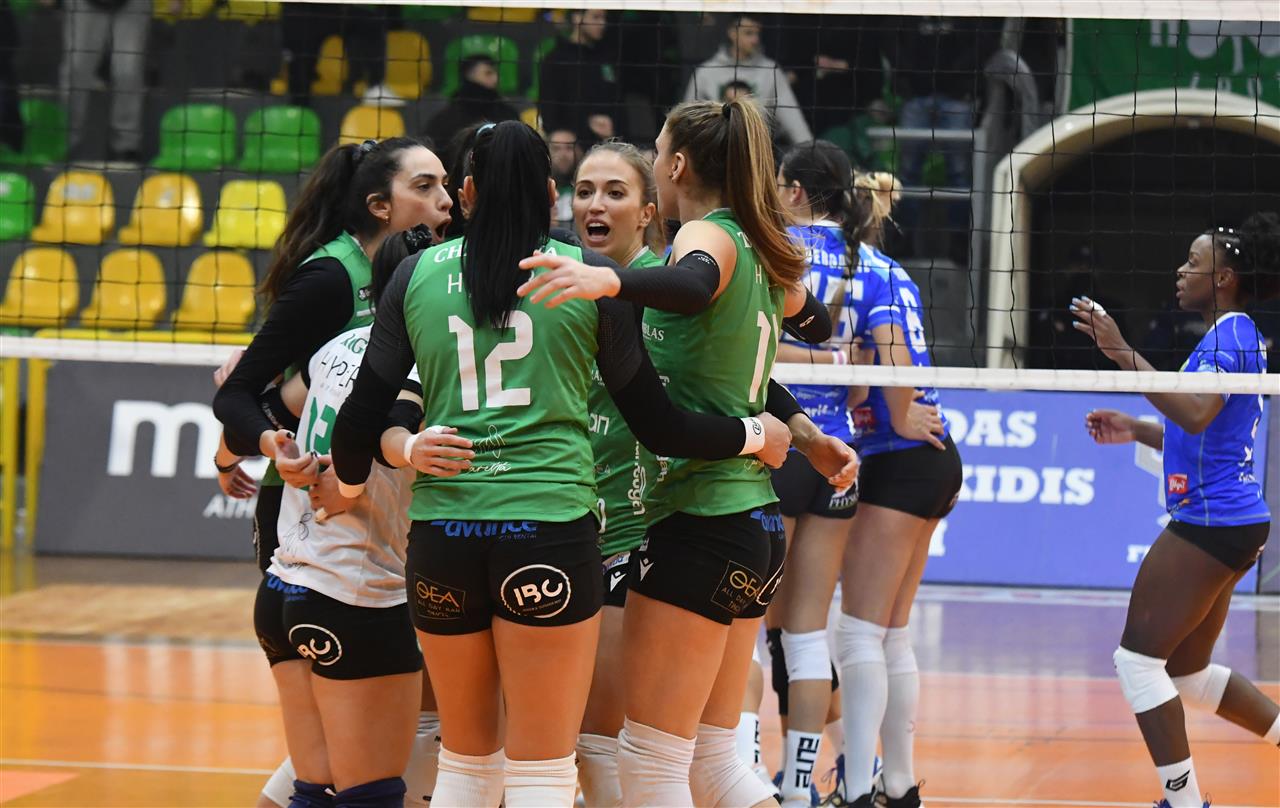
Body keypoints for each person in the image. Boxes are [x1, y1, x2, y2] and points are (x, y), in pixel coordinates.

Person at [329, 120, 813, 807]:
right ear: (552, 195)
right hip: (553, 530)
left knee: (465, 765)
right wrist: (755, 433)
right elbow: (660, 423)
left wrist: (361, 476)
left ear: (466, 193)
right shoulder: (585, 283)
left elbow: (358, 422)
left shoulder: (416, 274)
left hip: (445, 536)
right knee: (547, 771)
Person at [519, 97, 858, 808]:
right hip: (741, 520)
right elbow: (802, 329)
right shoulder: (753, 249)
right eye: (585, 190)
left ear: (670, 172)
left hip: (696, 519)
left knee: (646, 764)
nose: (597, 203)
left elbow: (698, 286)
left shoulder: (702, 239)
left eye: (644, 161)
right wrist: (800, 429)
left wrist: (610, 280)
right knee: (710, 765)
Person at [211, 137, 452, 803]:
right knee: (369, 773)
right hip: (337, 546)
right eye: (426, 187)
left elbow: (294, 394)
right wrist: (249, 449)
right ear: (380, 206)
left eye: (445, 185)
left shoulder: (345, 341)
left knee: (320, 773)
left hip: (302, 570)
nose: (444, 201)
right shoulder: (336, 282)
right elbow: (256, 396)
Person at [1072, 213, 1280, 808]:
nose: (1181, 271)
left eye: (1194, 262)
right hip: (1234, 519)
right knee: (1187, 673)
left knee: (1137, 662)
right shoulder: (1233, 335)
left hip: (1213, 519)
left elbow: (1194, 412)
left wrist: (1121, 352)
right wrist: (1137, 428)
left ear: (1225, 278)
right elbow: (1205, 431)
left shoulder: (1230, 337)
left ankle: (1184, 803)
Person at [832, 171, 961, 808]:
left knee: (857, 631)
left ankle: (858, 789)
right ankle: (900, 785)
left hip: (899, 456)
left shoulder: (858, 273)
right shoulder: (893, 271)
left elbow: (890, 357)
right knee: (890, 632)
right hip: (934, 460)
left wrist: (898, 411)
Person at [683, 15, 812, 147]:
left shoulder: (771, 71)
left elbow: (795, 123)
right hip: (714, 150)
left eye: (757, 33)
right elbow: (687, 122)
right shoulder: (706, 72)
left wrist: (810, 152)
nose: (755, 40)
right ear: (732, 33)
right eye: (749, 33)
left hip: (758, 149)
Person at [58, 0, 149, 162]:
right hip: (83, 4)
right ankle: (67, 142)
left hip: (132, 4)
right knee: (76, 68)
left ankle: (126, 146)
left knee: (128, 72)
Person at [538, 9, 623, 144]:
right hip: (570, 145)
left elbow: (618, 102)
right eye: (596, 17)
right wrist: (584, 126)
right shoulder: (556, 59)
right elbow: (549, 110)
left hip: (607, 143)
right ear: (577, 18)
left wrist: (613, 134)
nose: (602, 24)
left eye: (604, 18)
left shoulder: (607, 58)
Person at [425, 55, 518, 149]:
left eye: (496, 73)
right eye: (488, 73)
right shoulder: (447, 118)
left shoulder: (445, 116)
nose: (496, 78)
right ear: (469, 75)